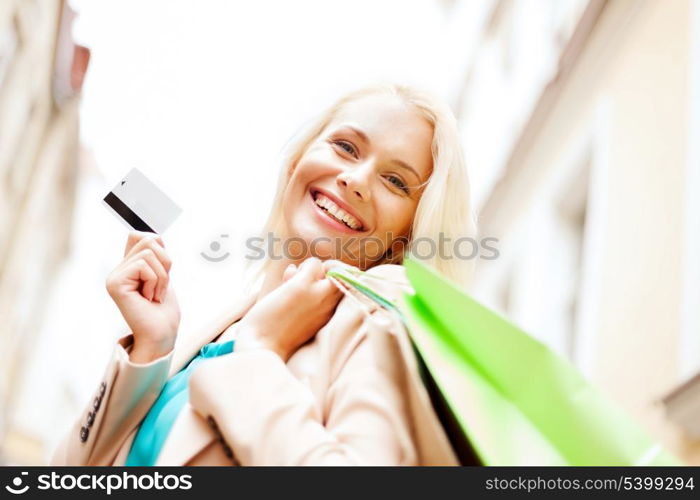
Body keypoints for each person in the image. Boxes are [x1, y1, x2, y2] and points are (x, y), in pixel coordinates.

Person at [52, 84, 477, 466]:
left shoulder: (376, 330)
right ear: (298, 159)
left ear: (407, 234)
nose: (356, 179)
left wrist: (260, 351)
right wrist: (150, 350)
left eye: (396, 181)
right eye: (346, 147)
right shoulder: (229, 323)